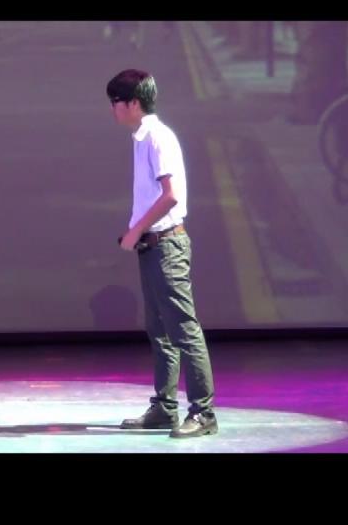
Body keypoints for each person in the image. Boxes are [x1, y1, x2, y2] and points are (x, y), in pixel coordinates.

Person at [106, 69, 218, 438]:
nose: (113, 109)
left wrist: (136, 229)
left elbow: (170, 196)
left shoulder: (157, 137)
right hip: (152, 245)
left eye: (116, 102)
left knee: (184, 329)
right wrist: (137, 231)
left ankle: (203, 412)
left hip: (166, 244)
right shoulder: (142, 138)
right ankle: (165, 407)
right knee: (160, 331)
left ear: (133, 103)